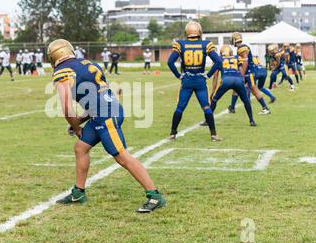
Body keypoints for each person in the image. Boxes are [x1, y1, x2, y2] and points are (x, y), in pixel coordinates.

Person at [49, 39, 166, 213]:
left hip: (106, 116)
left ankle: (155, 196)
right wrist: (78, 123)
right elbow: (96, 100)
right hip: (106, 111)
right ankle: (78, 193)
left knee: (121, 156)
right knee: (81, 148)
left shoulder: (62, 72)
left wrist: (77, 127)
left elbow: (67, 107)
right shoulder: (89, 63)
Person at [167, 21, 222, 142]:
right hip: (199, 80)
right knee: (206, 107)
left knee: (180, 107)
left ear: (188, 31)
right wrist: (208, 75)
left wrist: (178, 75)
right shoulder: (205, 44)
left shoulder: (180, 44)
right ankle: (213, 134)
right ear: (199, 31)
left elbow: (170, 62)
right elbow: (218, 61)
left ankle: (172, 133)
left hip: (186, 80)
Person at [207, 45, 256, 127]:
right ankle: (251, 120)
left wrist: (213, 91)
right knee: (246, 100)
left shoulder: (219, 59)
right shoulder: (237, 57)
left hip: (226, 80)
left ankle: (207, 120)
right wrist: (242, 79)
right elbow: (241, 70)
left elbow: (215, 76)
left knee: (214, 99)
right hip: (238, 80)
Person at [228, 33, 271, 115]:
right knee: (236, 88)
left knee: (254, 90)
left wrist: (242, 75)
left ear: (235, 40)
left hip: (249, 72)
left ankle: (265, 108)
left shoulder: (242, 48)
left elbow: (246, 62)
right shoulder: (241, 47)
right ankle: (232, 107)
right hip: (247, 72)